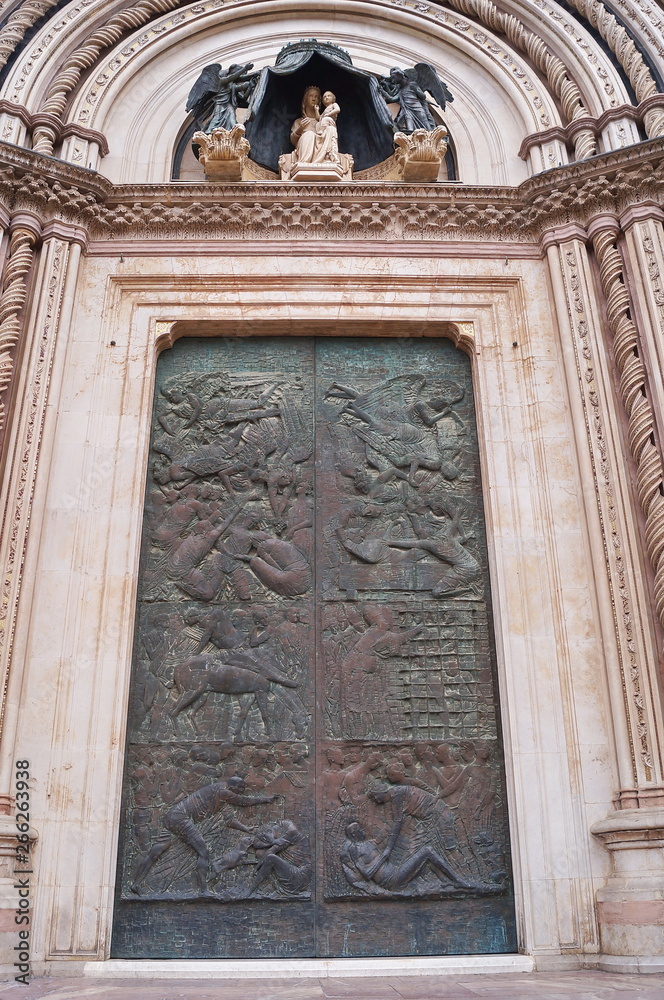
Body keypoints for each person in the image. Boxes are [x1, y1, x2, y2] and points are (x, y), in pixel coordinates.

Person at [131, 776, 278, 896]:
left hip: (172, 817)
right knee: (203, 851)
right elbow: (243, 802)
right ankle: (203, 890)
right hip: (181, 818)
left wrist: (246, 829)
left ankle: (136, 883)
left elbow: (229, 820)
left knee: (156, 851)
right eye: (240, 789)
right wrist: (266, 799)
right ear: (233, 786)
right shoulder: (222, 791)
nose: (241, 792)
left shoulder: (221, 797)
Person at [315, 91, 341, 164]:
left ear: (333, 98)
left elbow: (338, 110)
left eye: (328, 96)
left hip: (330, 122)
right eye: (324, 97)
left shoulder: (334, 105)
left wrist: (328, 114)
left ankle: (321, 131)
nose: (326, 97)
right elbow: (319, 118)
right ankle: (321, 132)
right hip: (324, 124)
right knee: (318, 124)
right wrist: (316, 110)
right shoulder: (325, 110)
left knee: (326, 119)